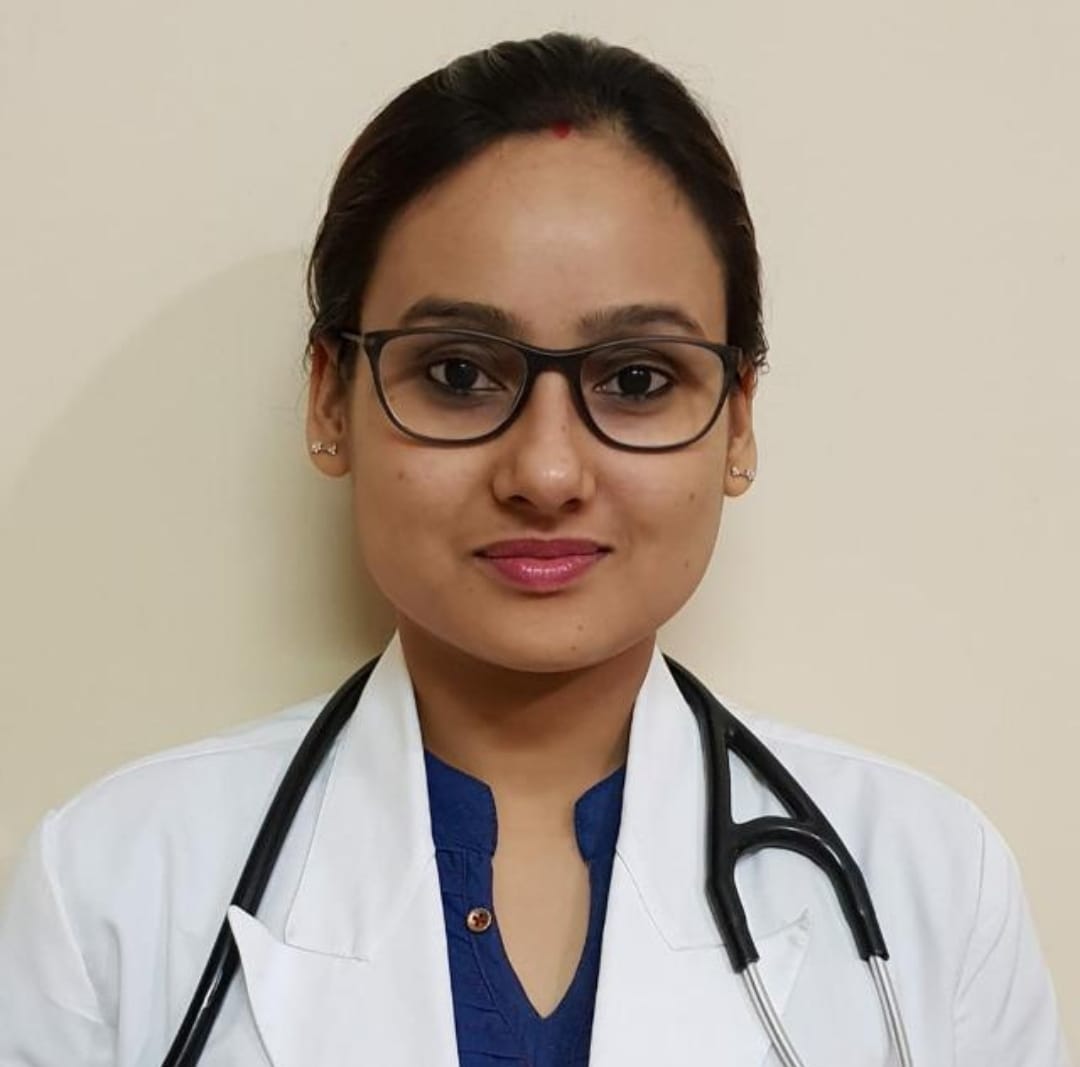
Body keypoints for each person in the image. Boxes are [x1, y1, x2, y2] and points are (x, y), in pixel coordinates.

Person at [0, 31, 1070, 1067]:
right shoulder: (112, 889)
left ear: (738, 421)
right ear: (330, 399)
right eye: (459, 374)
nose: (547, 472)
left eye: (638, 379)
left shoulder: (935, 886)